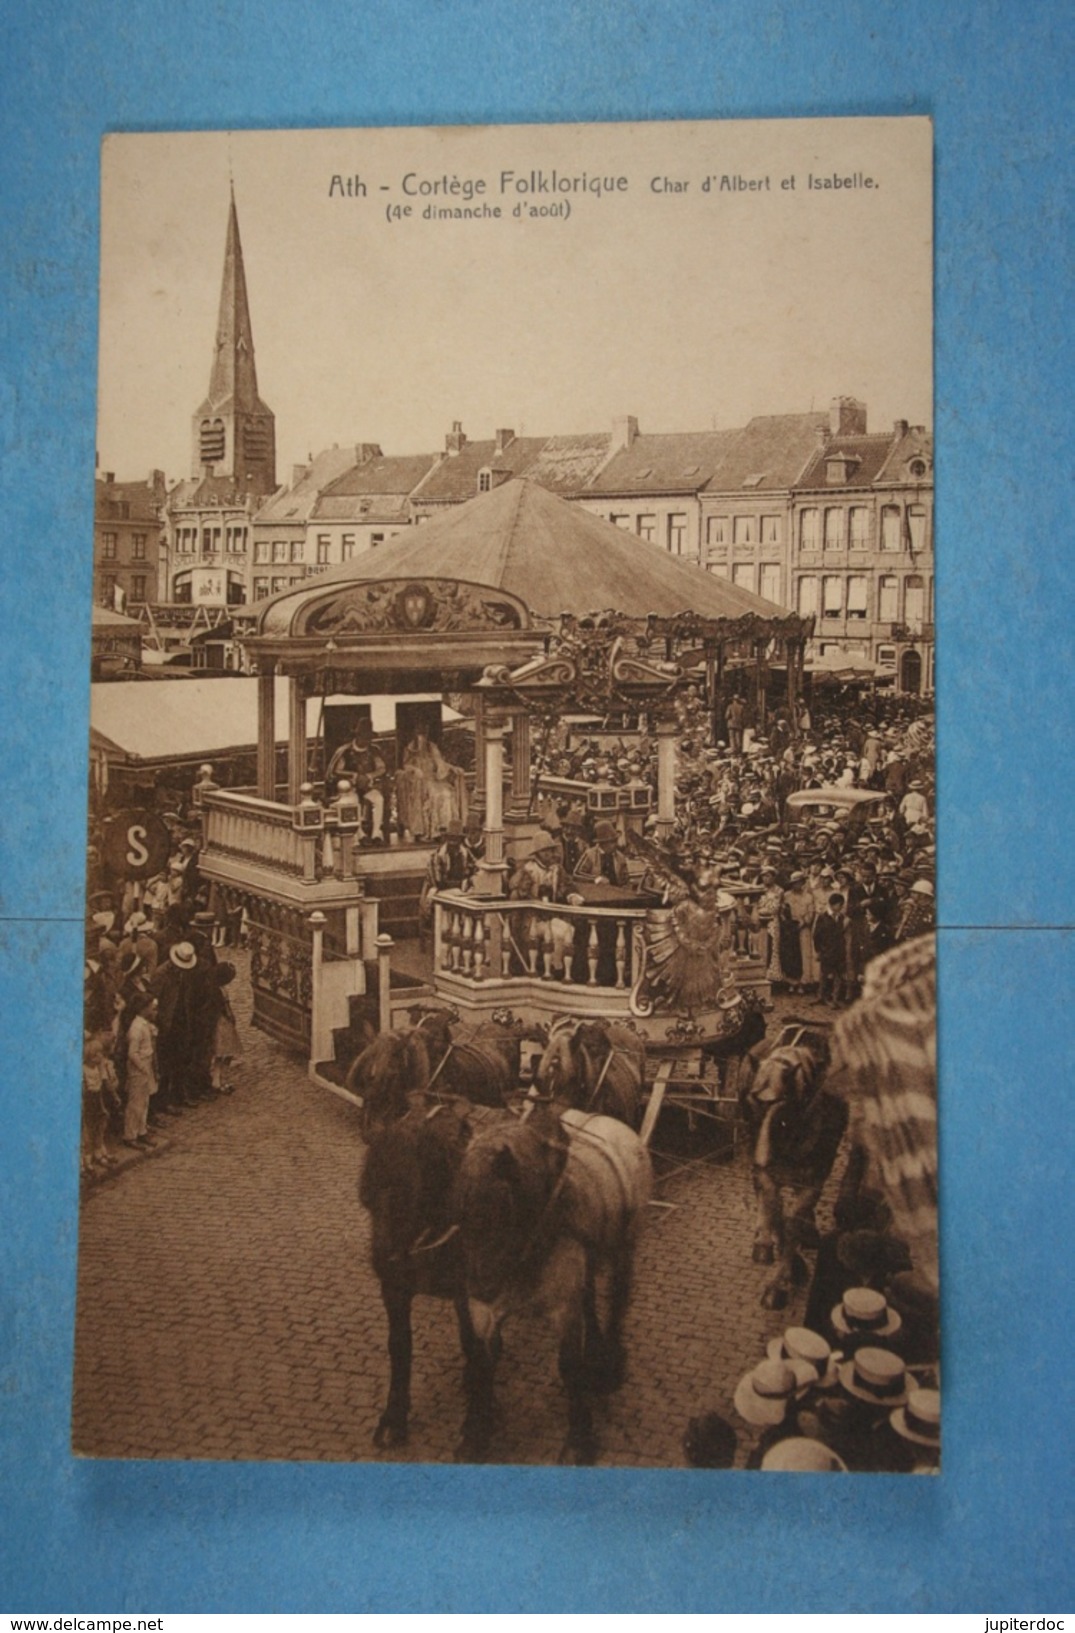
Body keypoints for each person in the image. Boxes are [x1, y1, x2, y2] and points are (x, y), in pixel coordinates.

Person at [395, 726, 467, 840]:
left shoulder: (432, 747)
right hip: (420, 780)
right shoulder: (410, 748)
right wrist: (415, 770)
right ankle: (433, 831)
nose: (422, 736)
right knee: (434, 794)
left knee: (447, 793)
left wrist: (453, 768)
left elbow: (440, 763)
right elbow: (406, 765)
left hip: (434, 778)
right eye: (419, 733)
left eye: (424, 733)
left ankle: (445, 828)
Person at [327, 722, 388, 840]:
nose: (367, 741)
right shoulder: (345, 751)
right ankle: (360, 835)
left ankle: (376, 834)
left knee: (378, 799)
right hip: (348, 789)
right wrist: (354, 776)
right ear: (357, 736)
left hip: (367, 786)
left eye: (368, 738)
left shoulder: (374, 750)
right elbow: (336, 771)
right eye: (364, 737)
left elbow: (382, 768)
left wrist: (369, 776)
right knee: (352, 802)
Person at [122, 993, 159, 1147]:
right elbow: (132, 1053)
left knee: (144, 1101)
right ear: (143, 1009)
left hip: (146, 1065)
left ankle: (141, 1131)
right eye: (152, 1009)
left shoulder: (145, 1025)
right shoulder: (136, 1028)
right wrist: (142, 1068)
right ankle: (130, 1135)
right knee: (135, 1103)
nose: (154, 1011)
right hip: (139, 1068)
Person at [814, 891, 850, 1007]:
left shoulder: (842, 918)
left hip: (839, 951)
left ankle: (834, 998)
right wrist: (819, 950)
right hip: (826, 951)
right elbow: (816, 936)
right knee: (824, 975)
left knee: (838, 976)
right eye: (840, 905)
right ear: (833, 905)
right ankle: (821, 996)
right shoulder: (823, 917)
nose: (841, 908)